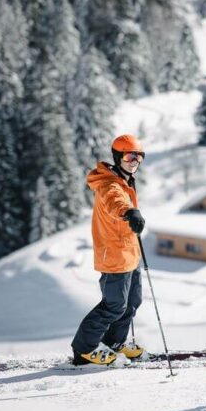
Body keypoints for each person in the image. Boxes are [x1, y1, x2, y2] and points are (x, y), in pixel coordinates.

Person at [71, 134, 147, 365]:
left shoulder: (125, 180)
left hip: (129, 253)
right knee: (114, 306)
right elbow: (115, 201)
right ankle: (84, 349)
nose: (134, 161)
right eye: (129, 156)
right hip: (114, 255)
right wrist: (129, 211)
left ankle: (114, 342)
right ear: (117, 157)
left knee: (133, 302)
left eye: (139, 157)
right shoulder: (109, 184)